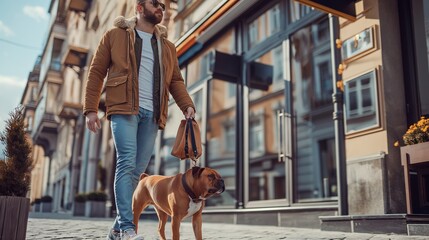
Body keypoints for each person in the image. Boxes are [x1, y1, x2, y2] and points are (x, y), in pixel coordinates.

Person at [83, 0, 195, 239]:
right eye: (155, 4)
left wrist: (187, 105)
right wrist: (91, 109)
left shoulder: (167, 47)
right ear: (139, 8)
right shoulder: (114, 35)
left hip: (152, 114)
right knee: (126, 162)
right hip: (123, 109)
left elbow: (176, 81)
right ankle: (126, 228)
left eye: (163, 6)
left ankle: (115, 229)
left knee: (137, 172)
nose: (161, 8)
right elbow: (96, 72)